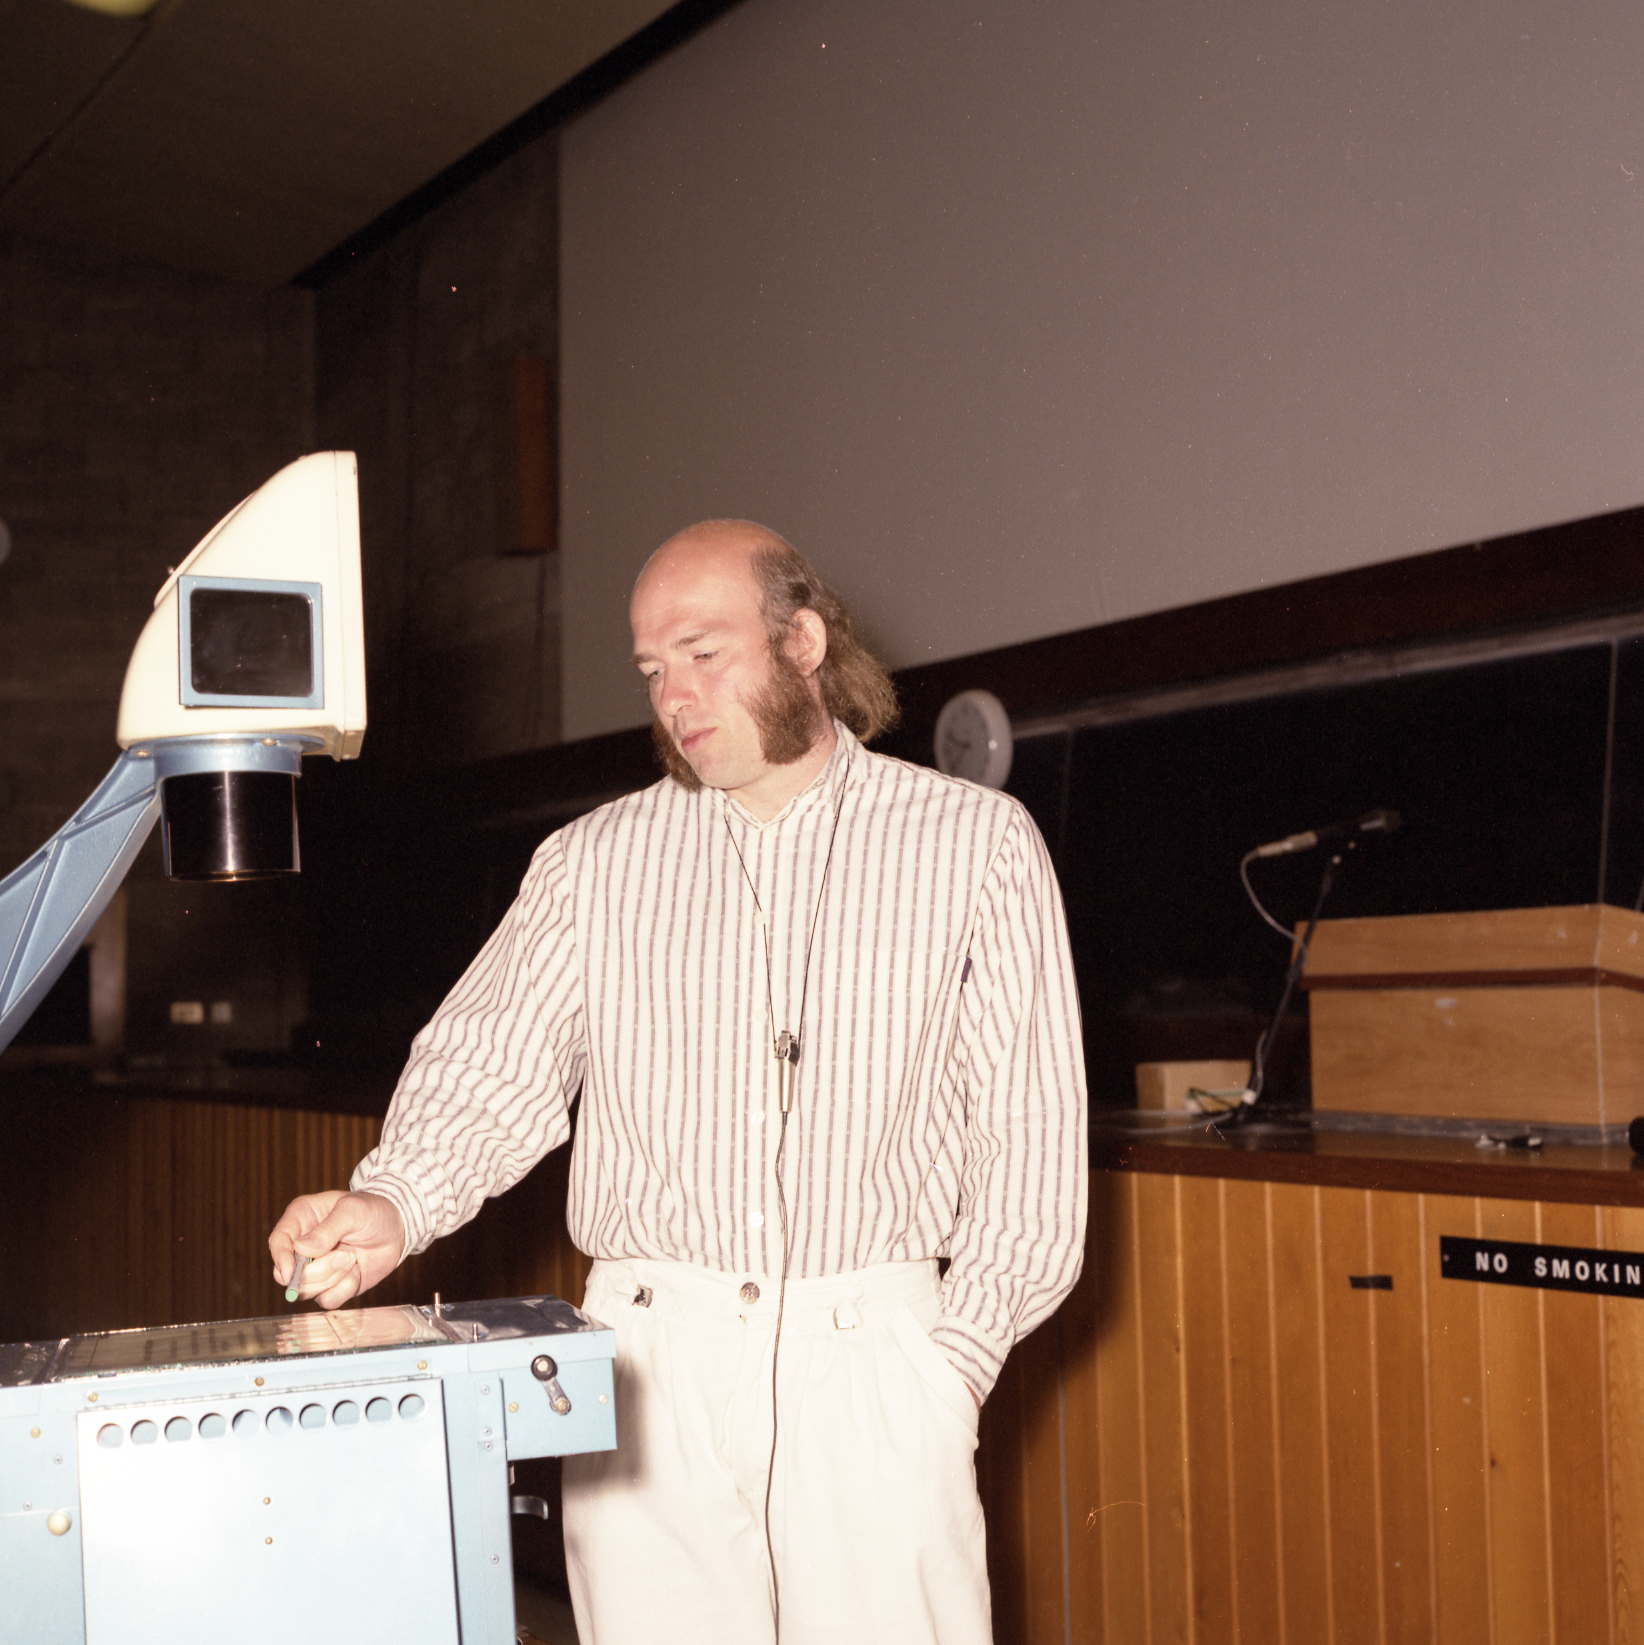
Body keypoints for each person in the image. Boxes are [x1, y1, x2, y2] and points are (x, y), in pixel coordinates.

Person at [269, 519, 1087, 1644]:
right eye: (654, 669)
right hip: (652, 1368)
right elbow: (489, 1065)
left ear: (803, 641)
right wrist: (392, 1200)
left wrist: (949, 1368)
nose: (674, 696)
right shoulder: (592, 862)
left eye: (704, 654)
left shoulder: (977, 843)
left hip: (876, 1366)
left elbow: (1030, 1146)